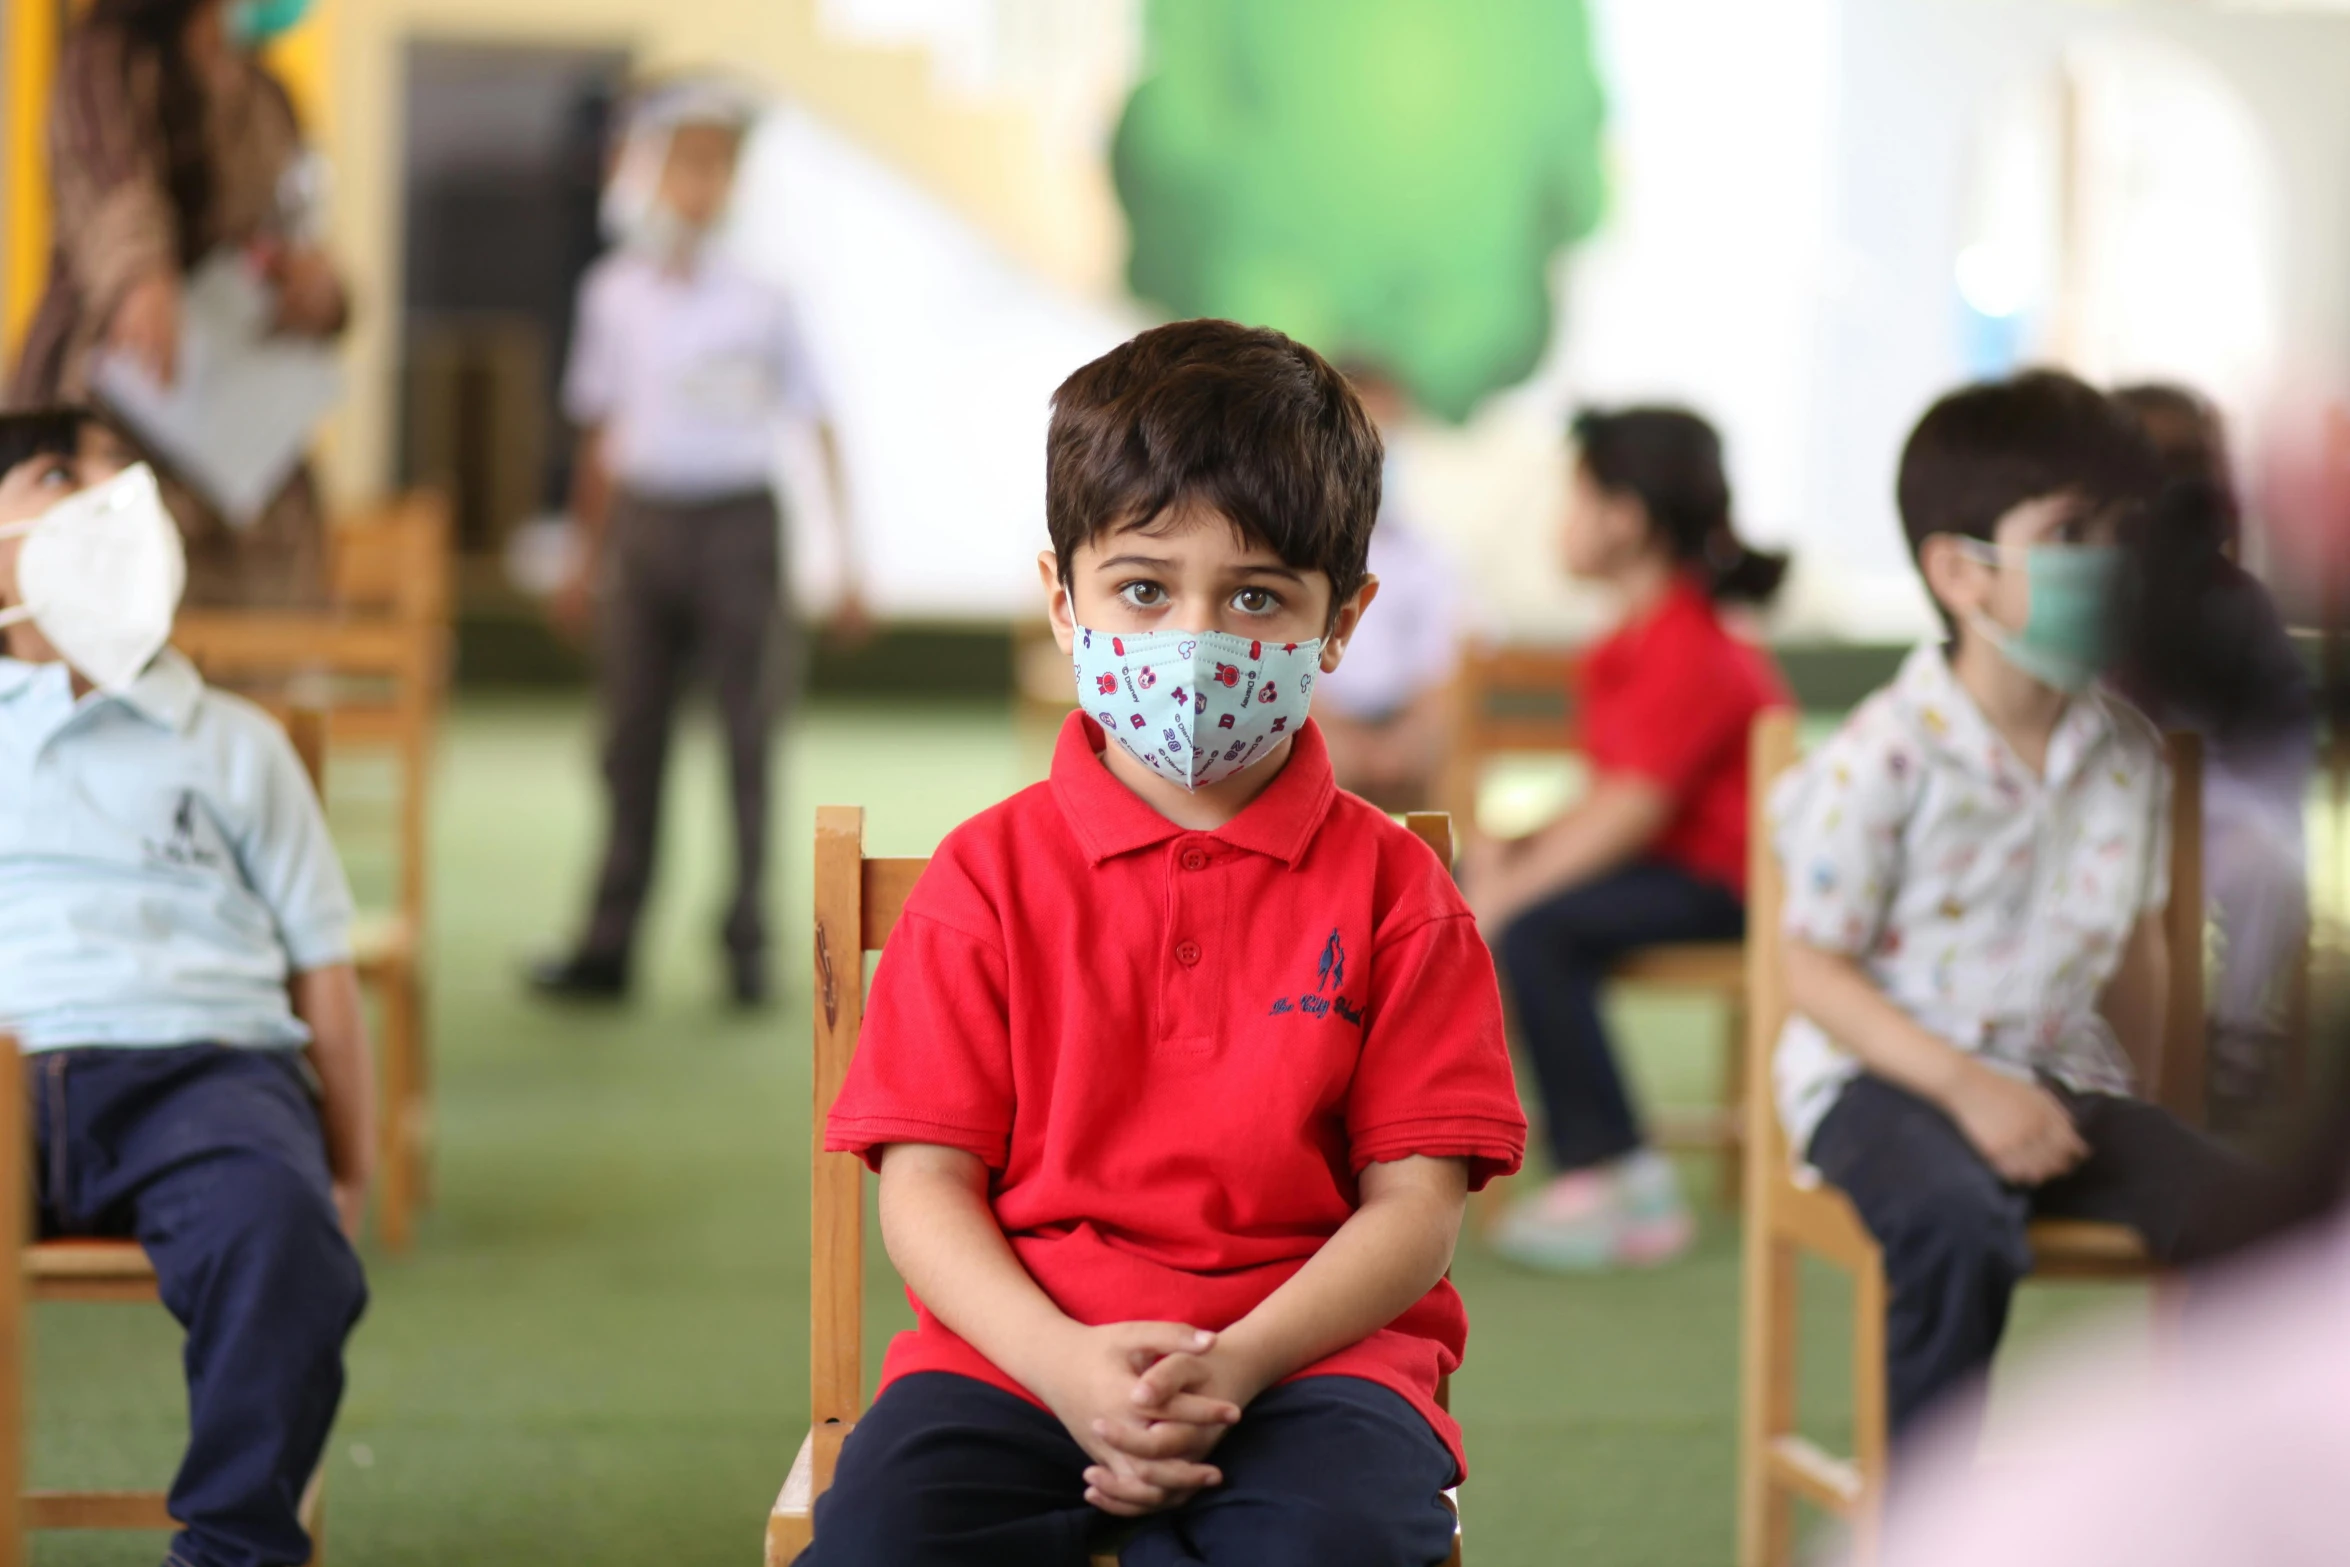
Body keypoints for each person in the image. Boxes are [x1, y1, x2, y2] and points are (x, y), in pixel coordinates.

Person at [798, 319, 1526, 1567]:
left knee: (1334, 1548)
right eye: (1143, 587)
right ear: (1059, 596)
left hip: (1314, 1365)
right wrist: (1064, 1365)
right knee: (881, 1542)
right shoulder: (982, 880)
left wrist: (1235, 1360)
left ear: (1341, 622)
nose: (1195, 639)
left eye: (1255, 597)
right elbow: (925, 1190)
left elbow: (1415, 1213)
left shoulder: (1401, 894)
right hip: (1009, 1360)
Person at [1770, 370, 2265, 1451]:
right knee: (1955, 1223)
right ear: (1960, 573)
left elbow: (2136, 954)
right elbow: (1811, 971)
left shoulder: (2127, 754)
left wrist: (2153, 1119)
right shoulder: (1883, 755)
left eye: (2127, 529)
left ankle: (2229, 1493)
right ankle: (1938, 1525)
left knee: (2253, 1218)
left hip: (2056, 1087)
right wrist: (1965, 1088)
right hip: (1885, 1084)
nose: (2116, 561)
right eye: (2073, 531)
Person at [0, 406, 371, 1567]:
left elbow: (323, 964)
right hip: (5, 1058)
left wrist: (347, 1163)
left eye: (128, 476)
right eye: (60, 473)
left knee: (281, 1238)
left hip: (204, 1072)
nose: (108, 501)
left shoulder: (236, 740)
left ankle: (235, 1545)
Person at [527, 76, 863, 1009]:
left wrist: (846, 560)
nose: (700, 181)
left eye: (718, 162)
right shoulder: (613, 293)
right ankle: (609, 940)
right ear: (652, 172)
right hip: (644, 526)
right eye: (685, 161)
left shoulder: (767, 296)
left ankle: (748, 944)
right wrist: (579, 558)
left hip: (740, 526)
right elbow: (598, 434)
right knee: (628, 740)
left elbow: (819, 423)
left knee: (749, 741)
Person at [1461, 407, 1790, 1272]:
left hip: (1729, 885)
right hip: (1671, 866)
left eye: (1577, 496)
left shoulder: (1690, 642)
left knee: (1537, 930)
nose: (1561, 521)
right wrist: (1515, 848)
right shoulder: (1639, 638)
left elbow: (1632, 812)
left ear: (1626, 517)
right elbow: (1611, 798)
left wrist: (1510, 888)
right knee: (1464, 882)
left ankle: (1620, 1174)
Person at [7, 0, 349, 608]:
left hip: (238, 425)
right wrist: (141, 274)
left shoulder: (268, 93)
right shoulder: (110, 58)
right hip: (112, 388)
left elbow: (298, 226)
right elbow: (109, 184)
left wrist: (316, 288)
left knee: (255, 618)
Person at [2110, 382, 2313, 1123]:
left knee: (2273, 863)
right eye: (2154, 459)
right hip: (2096, 806)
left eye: (2189, 459)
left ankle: (2236, 1043)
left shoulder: (2238, 602)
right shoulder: (2083, 589)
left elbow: (2281, 739)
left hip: (2219, 802)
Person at [1314, 365, 1460, 811]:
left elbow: (1450, 654)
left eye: (1391, 438)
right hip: (1318, 719)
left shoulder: (1426, 554)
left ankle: (1438, 876)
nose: (1382, 456)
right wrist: (1334, 733)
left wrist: (1409, 734)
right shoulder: (1287, 548)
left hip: (1406, 721)